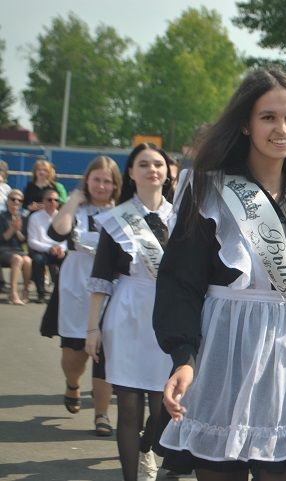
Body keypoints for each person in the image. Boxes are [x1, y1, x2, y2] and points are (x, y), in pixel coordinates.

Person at [154, 67, 286, 481]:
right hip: (224, 352)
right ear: (244, 124)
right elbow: (180, 279)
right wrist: (183, 357)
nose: (283, 128)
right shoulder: (209, 190)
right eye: (268, 117)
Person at [85, 143, 174, 481]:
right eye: (144, 164)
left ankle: (147, 447)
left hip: (167, 315)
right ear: (132, 172)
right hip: (127, 314)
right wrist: (92, 330)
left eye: (158, 164)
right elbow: (101, 279)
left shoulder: (184, 217)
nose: (153, 169)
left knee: (163, 404)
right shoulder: (114, 219)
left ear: (166, 173)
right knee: (129, 407)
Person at [48, 156, 121, 435]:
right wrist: (74, 200)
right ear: (87, 181)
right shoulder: (77, 209)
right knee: (74, 354)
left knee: (105, 353)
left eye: (107, 180)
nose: (102, 185)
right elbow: (58, 232)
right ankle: (73, 383)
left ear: (115, 184)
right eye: (97, 179)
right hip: (76, 285)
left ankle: (101, 415)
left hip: (112, 286)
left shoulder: (122, 211)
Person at [27, 188, 66, 302]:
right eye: (49, 199)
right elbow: (32, 241)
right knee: (38, 260)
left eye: (55, 200)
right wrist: (49, 248)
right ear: (43, 201)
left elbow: (66, 239)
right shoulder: (35, 217)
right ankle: (41, 293)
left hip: (58, 250)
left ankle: (60, 292)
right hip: (41, 250)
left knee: (68, 259)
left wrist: (61, 249)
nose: (53, 202)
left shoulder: (62, 217)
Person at [0, 189, 32, 304]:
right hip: (3, 250)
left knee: (27, 260)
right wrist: (12, 228)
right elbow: (3, 239)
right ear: (8, 201)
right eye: (13, 199)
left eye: (19, 200)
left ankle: (25, 292)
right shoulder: (2, 217)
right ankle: (13, 294)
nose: (16, 202)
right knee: (17, 259)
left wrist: (18, 231)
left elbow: (24, 241)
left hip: (17, 249)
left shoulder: (23, 218)